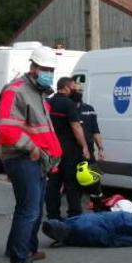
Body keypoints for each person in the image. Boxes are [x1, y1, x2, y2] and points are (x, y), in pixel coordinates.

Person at [0, 46, 62, 263]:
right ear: (33, 68)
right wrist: (32, 148)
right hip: (24, 159)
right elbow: (7, 129)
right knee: (28, 211)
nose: (49, 74)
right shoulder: (17, 91)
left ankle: (25, 260)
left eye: (51, 70)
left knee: (31, 211)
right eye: (45, 69)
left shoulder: (38, 93)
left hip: (36, 161)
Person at [46, 76, 90, 220]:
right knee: (72, 184)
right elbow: (76, 126)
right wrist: (84, 146)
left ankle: (53, 215)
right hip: (69, 149)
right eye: (74, 88)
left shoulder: (48, 102)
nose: (76, 91)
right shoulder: (68, 104)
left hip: (51, 148)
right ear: (66, 88)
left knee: (53, 183)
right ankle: (74, 215)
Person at [73, 79, 104, 162]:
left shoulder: (89, 108)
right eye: (76, 90)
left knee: (94, 174)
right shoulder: (67, 108)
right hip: (72, 151)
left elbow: (95, 130)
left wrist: (100, 148)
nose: (79, 93)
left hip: (89, 151)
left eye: (80, 90)